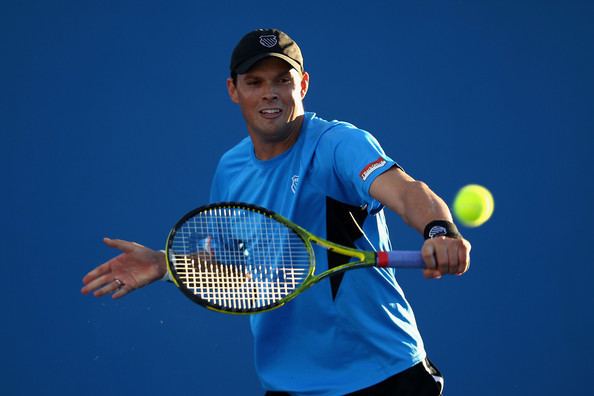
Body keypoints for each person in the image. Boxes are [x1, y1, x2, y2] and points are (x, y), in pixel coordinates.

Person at [81, 28, 471, 396]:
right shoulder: (230, 171)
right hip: (290, 384)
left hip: (384, 375)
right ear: (234, 91)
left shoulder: (339, 145)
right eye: (255, 82)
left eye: (282, 80)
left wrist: (439, 231)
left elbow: (406, 192)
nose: (270, 93)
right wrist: (166, 265)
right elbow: (233, 277)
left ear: (302, 85)